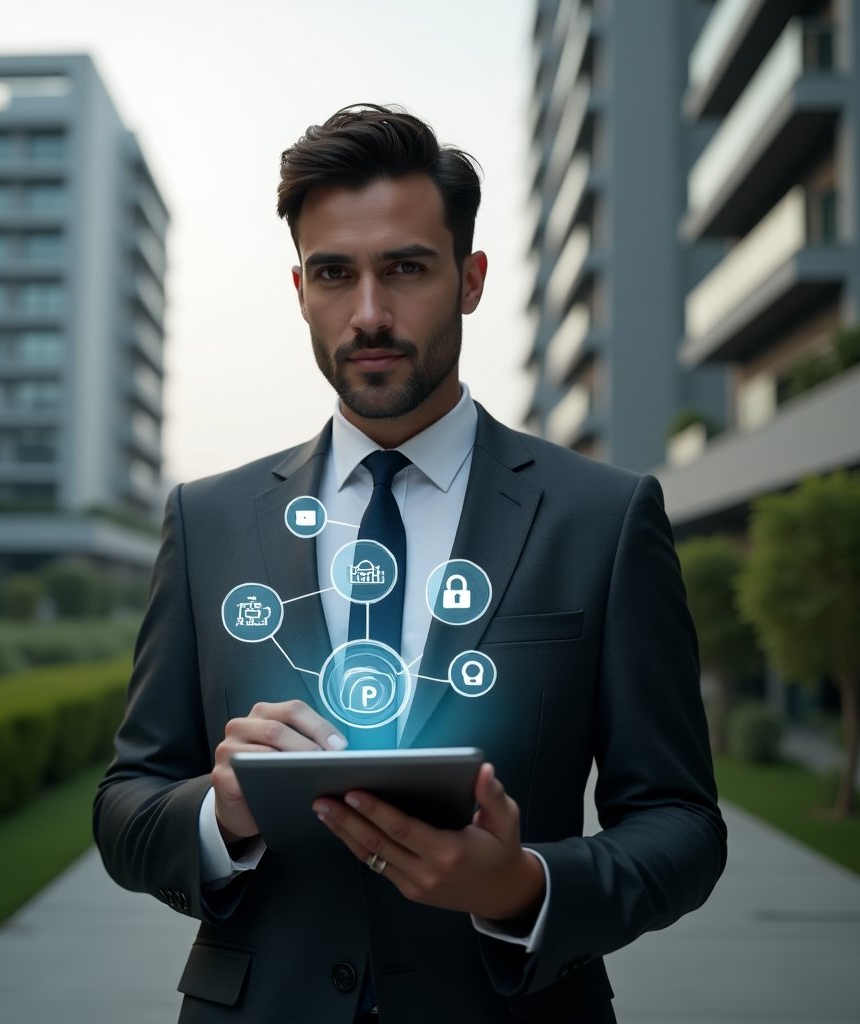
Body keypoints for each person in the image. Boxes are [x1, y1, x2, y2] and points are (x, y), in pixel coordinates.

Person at [94, 104, 727, 1024]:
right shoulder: (207, 520)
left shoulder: (604, 516)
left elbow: (683, 824)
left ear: (470, 280)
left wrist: (521, 887)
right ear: (299, 289)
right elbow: (126, 805)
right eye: (334, 274)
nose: (369, 315)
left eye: (405, 269)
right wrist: (218, 813)